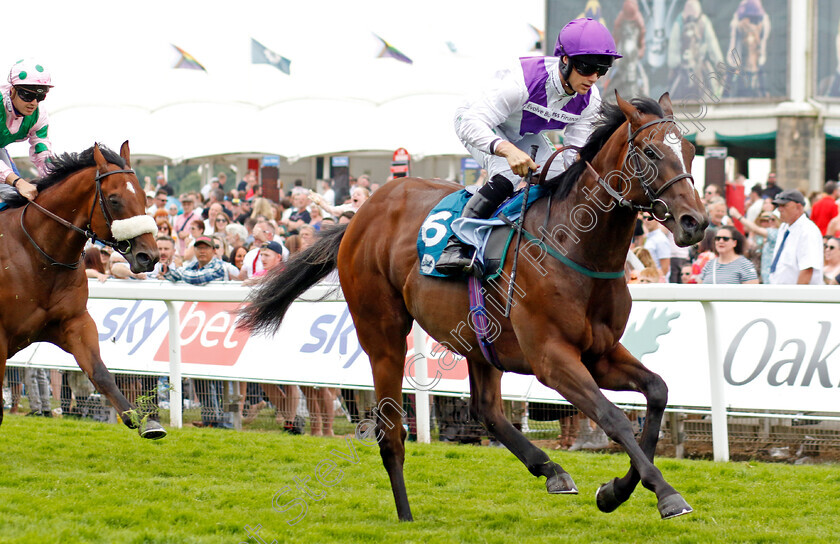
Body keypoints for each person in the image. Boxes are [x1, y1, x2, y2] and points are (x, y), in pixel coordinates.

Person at [435, 17, 622, 273]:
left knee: (559, 178)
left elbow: (574, 156)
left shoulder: (589, 100)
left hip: (524, 132)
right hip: (478, 121)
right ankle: (455, 246)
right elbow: (471, 121)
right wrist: (507, 150)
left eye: (602, 70)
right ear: (565, 60)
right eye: (588, 68)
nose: (594, 78)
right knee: (507, 174)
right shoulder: (523, 82)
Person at [0, 59, 55, 202]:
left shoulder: (39, 115)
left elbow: (42, 152)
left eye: (40, 97)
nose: (34, 103)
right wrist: (18, 182)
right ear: (12, 91)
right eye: (28, 96)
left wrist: (55, 179)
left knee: (12, 196)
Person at [768, 189, 824, 285]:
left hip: (797, 295)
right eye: (778, 206)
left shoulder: (808, 231)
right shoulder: (784, 227)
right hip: (781, 292)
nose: (779, 209)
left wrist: (797, 297)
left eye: (784, 205)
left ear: (798, 207)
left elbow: (807, 270)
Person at [730, 207, 780, 284]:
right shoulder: (769, 236)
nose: (770, 222)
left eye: (773, 219)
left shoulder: (777, 233)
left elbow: (755, 228)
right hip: (763, 277)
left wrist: (738, 216)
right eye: (768, 219)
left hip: (771, 279)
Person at [162, 235, 229, 285]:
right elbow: (178, 276)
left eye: (206, 248)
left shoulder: (218, 266)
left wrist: (179, 267)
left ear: (214, 250)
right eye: (199, 248)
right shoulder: (194, 264)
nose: (202, 251)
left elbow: (195, 278)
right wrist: (166, 271)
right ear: (194, 250)